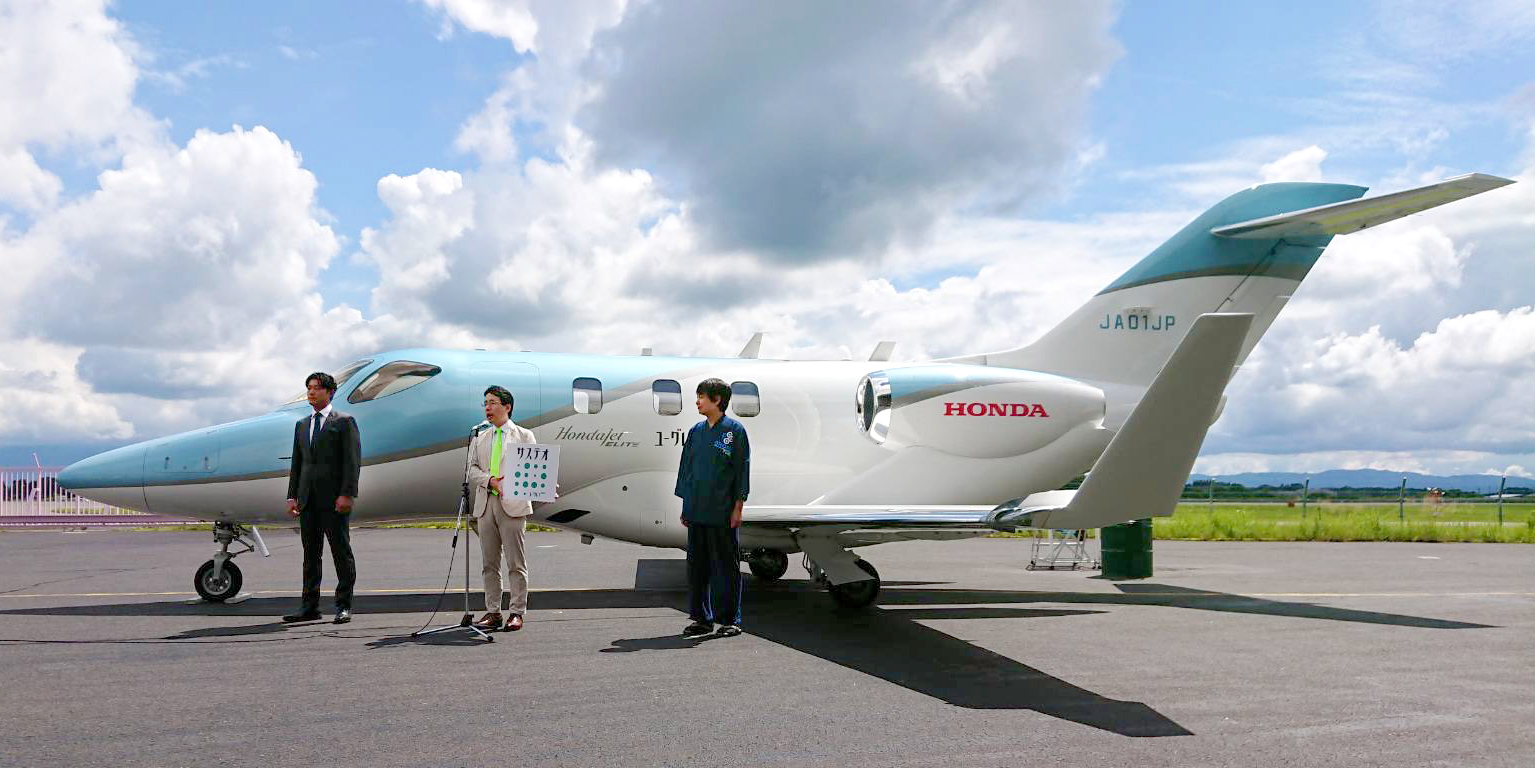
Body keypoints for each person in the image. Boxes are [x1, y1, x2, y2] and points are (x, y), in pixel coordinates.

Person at [283, 371, 362, 624]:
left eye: (316, 388)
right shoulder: (302, 424)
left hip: (334, 500)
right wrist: (292, 495)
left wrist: (347, 493)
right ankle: (309, 606)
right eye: (308, 387)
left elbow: (352, 462)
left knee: (341, 552)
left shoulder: (344, 422)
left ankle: (343, 605)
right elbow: (298, 464)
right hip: (308, 500)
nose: (311, 392)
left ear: (330, 392)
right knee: (311, 555)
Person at [675, 378, 751, 638]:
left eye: (701, 397)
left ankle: (730, 619)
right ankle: (701, 618)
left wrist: (738, 507)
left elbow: (742, 471)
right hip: (696, 511)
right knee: (697, 567)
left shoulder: (735, 431)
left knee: (726, 567)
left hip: (722, 511)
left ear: (717, 400)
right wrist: (686, 506)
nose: (697, 401)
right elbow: (686, 469)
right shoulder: (696, 431)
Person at [468, 385, 537, 632]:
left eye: (493, 402)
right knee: (489, 563)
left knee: (515, 562)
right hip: (487, 503)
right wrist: (490, 481)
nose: (488, 407)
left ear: (507, 407)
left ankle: (517, 612)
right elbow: (472, 470)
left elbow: (534, 469)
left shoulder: (524, 435)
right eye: (485, 402)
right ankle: (493, 611)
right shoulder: (480, 437)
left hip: (514, 505)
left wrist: (544, 486)